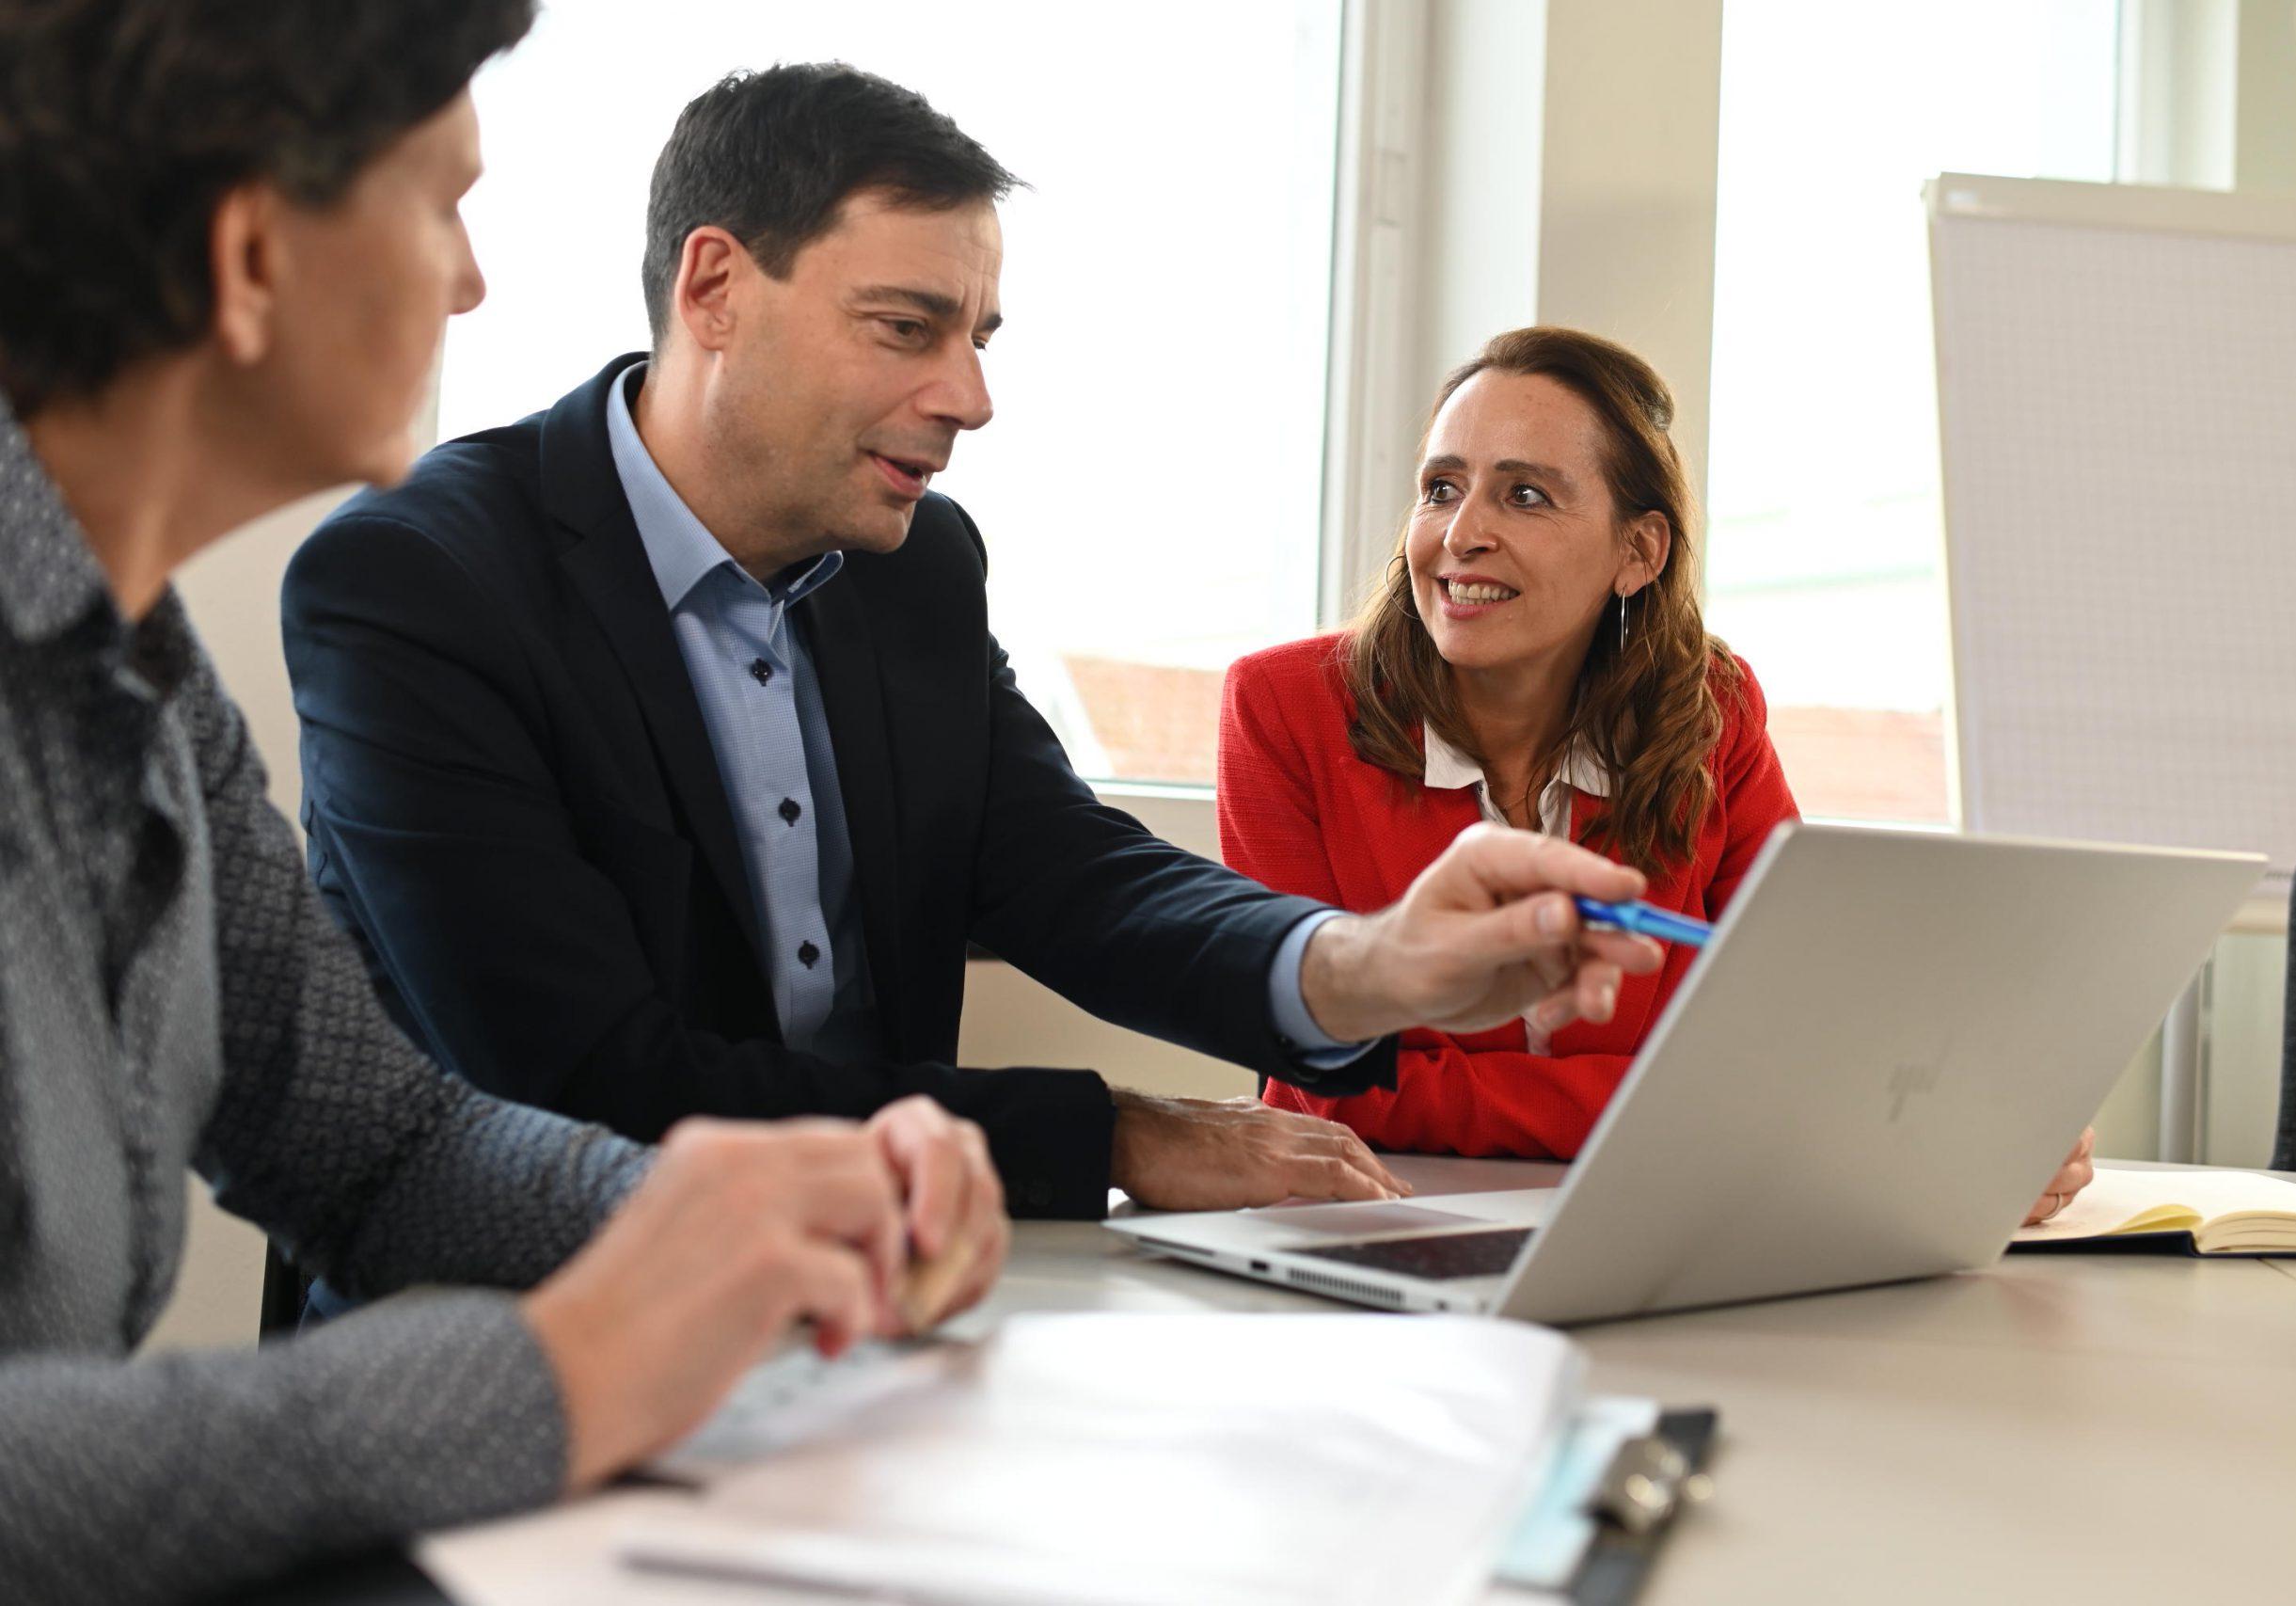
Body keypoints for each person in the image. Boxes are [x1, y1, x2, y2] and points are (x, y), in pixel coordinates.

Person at [281, 64, 1667, 1233]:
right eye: (908, 328)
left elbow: (1072, 871)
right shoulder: (417, 585)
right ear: (714, 287)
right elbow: (589, 1081)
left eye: (979, 335)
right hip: (520, 1343)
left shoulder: (913, 567)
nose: (972, 397)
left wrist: (1363, 963)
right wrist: (1103, 1130)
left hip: (873, 1309)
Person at [0, 7, 1009, 1598]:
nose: (470, 279)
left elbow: (381, 1150)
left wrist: (738, 1212)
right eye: (444, 200)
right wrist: (552, 1378)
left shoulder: (140, 681)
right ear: (255, 252)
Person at [1218, 326, 2097, 1225]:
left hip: (1654, 1222)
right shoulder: (1284, 708)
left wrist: (1972, 1121)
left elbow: (1812, 1016)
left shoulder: (1711, 708)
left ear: (1638, 553)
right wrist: (1707, 1107)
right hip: (1362, 1224)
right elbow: (1337, 1082)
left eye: (1523, 495)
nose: (1461, 533)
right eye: (1441, 488)